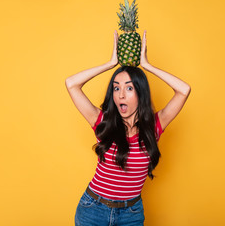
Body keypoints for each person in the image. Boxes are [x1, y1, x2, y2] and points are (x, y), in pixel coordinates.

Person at [65, 30, 191, 226]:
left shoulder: (154, 127)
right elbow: (71, 84)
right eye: (116, 88)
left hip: (131, 214)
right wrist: (110, 64)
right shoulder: (102, 123)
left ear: (141, 93)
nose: (121, 95)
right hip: (93, 210)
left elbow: (184, 90)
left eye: (129, 88)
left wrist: (147, 66)